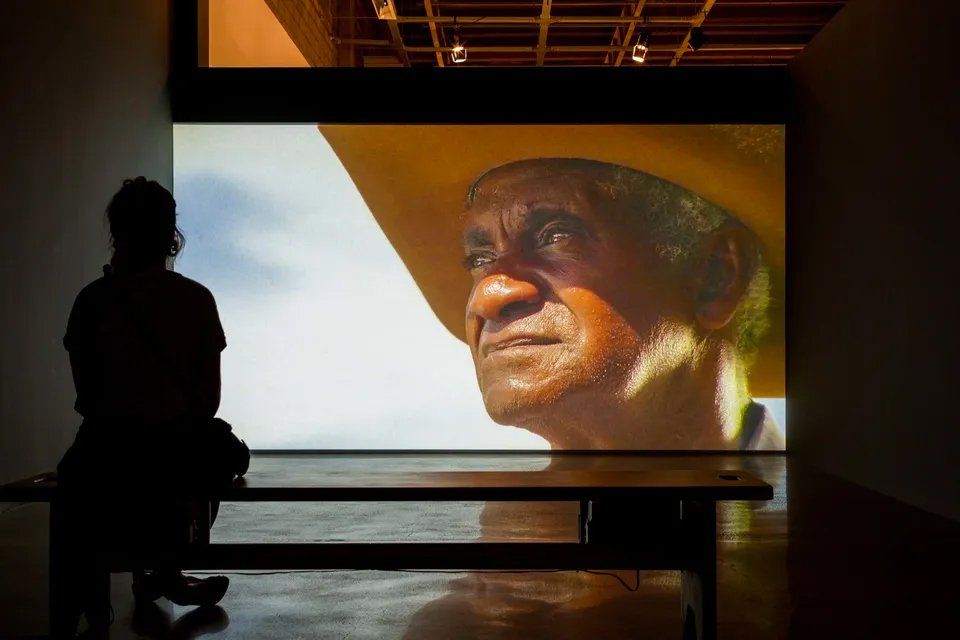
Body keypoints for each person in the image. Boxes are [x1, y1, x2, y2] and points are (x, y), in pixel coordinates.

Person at [319, 124, 786, 450]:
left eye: (556, 235)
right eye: (479, 260)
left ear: (715, 275)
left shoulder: (845, 561)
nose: (488, 296)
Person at [56, 177, 230, 635]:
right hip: (173, 454)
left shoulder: (92, 301)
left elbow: (87, 399)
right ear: (172, 235)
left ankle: (88, 603)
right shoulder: (195, 299)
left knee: (82, 480)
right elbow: (208, 402)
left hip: (105, 453)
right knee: (217, 455)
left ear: (117, 233)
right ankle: (163, 569)